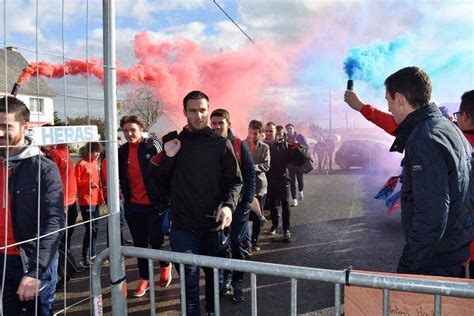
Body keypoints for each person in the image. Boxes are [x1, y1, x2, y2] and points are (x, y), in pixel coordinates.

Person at [344, 67, 472, 277]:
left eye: (388, 100)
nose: (388, 107)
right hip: (453, 249)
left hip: (437, 258)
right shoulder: (447, 127)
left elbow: (431, 217)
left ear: (400, 99)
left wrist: (406, 271)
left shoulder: (425, 140)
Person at [154, 91, 243, 315]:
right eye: (192, 110)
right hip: (182, 227)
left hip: (213, 226)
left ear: (208, 109)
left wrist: (228, 206)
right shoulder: (173, 142)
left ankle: (213, 311)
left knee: (214, 279)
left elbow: (235, 181)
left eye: (202, 110)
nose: (198, 115)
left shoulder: (221, 144)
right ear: (184, 112)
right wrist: (170, 157)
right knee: (189, 282)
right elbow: (159, 185)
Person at [0, 96, 64, 315]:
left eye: (5, 126)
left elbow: (54, 222)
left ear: (25, 127)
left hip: (30, 260)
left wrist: (36, 271)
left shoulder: (44, 169)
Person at [118, 115, 172, 297]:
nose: (129, 134)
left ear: (141, 129)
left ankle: (165, 265)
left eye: (133, 129)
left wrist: (164, 199)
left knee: (156, 241)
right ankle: (144, 279)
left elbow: (165, 171)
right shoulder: (122, 151)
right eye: (125, 130)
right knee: (139, 245)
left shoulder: (152, 145)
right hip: (133, 206)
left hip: (154, 204)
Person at [210, 109, 255, 302]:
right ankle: (225, 278)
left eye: (221, 122)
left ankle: (237, 281)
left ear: (228, 123)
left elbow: (250, 174)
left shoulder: (238, 145)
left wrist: (246, 200)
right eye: (214, 123)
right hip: (217, 207)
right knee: (220, 246)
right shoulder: (208, 145)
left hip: (238, 206)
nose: (218, 126)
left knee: (237, 243)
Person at [75, 142, 105, 268]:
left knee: (95, 229)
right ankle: (85, 256)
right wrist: (87, 184)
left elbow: (98, 182)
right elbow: (75, 182)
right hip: (86, 200)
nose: (97, 154)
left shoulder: (95, 163)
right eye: (94, 151)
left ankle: (93, 254)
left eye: (98, 151)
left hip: (96, 200)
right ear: (88, 151)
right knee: (90, 228)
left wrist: (102, 197)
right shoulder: (81, 163)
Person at [244, 120, 270, 252]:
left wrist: (253, 167)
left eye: (255, 133)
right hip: (244, 187)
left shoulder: (265, 147)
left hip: (259, 187)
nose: (252, 136)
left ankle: (254, 241)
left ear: (260, 134)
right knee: (245, 216)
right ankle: (246, 243)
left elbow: (266, 165)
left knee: (257, 216)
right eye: (250, 132)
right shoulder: (241, 145)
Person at [265, 122, 292, 240]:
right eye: (267, 131)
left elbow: (291, 159)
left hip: (283, 178)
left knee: (285, 204)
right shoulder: (262, 145)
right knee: (273, 205)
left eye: (271, 131)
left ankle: (286, 229)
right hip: (270, 179)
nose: (269, 133)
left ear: (276, 132)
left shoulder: (283, 144)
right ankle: (275, 225)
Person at [285, 123, 308, 206]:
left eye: (290, 128)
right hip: (290, 163)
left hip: (299, 163)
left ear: (293, 129)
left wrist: (298, 144)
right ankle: (294, 199)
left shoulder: (299, 137)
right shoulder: (285, 138)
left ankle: (300, 191)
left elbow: (306, 147)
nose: (289, 130)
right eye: (288, 129)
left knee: (300, 180)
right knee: (292, 181)